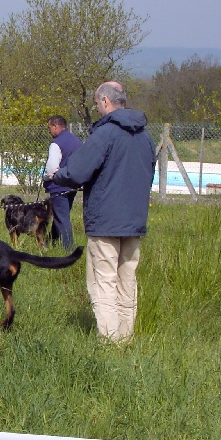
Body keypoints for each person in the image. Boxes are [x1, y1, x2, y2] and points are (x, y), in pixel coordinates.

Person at [50, 82, 156, 342]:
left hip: (105, 221)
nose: (97, 108)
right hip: (134, 222)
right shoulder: (145, 137)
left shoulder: (105, 133)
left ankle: (109, 342)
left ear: (106, 101)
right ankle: (125, 336)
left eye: (97, 103)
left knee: (103, 281)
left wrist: (58, 176)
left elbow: (78, 171)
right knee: (127, 280)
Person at [43, 115, 82, 250]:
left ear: (55, 126)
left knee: (62, 219)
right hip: (72, 185)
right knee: (60, 216)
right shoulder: (76, 141)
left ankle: (69, 249)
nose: (49, 131)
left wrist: (46, 178)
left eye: (49, 128)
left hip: (58, 186)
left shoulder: (56, 143)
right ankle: (48, 243)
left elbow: (51, 168)